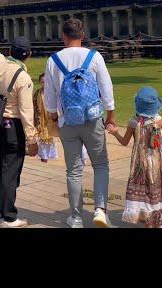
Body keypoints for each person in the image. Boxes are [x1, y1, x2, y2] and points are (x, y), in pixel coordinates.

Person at [44, 18, 115, 228]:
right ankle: (100, 210)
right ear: (82, 36)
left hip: (68, 121)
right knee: (101, 165)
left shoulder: (53, 60)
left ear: (64, 36)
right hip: (93, 118)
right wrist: (111, 114)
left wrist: (55, 118)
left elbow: (49, 96)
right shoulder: (94, 57)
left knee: (74, 170)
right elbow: (106, 88)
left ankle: (75, 217)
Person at [0, 20, 38, 228]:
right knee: (10, 171)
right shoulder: (24, 78)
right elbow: (27, 112)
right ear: (28, 55)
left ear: (10, 51)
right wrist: (32, 139)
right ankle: (9, 217)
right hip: (13, 126)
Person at [107, 87, 162, 228]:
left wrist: (115, 133)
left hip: (138, 166)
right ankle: (153, 221)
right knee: (153, 191)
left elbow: (124, 142)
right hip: (154, 165)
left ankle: (142, 216)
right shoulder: (160, 122)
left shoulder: (133, 122)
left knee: (140, 191)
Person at [33, 73, 59, 162]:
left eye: (46, 82)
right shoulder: (37, 93)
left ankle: (50, 155)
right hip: (41, 118)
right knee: (42, 136)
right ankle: (44, 156)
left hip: (51, 118)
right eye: (42, 82)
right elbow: (34, 105)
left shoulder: (53, 92)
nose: (44, 84)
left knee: (50, 136)